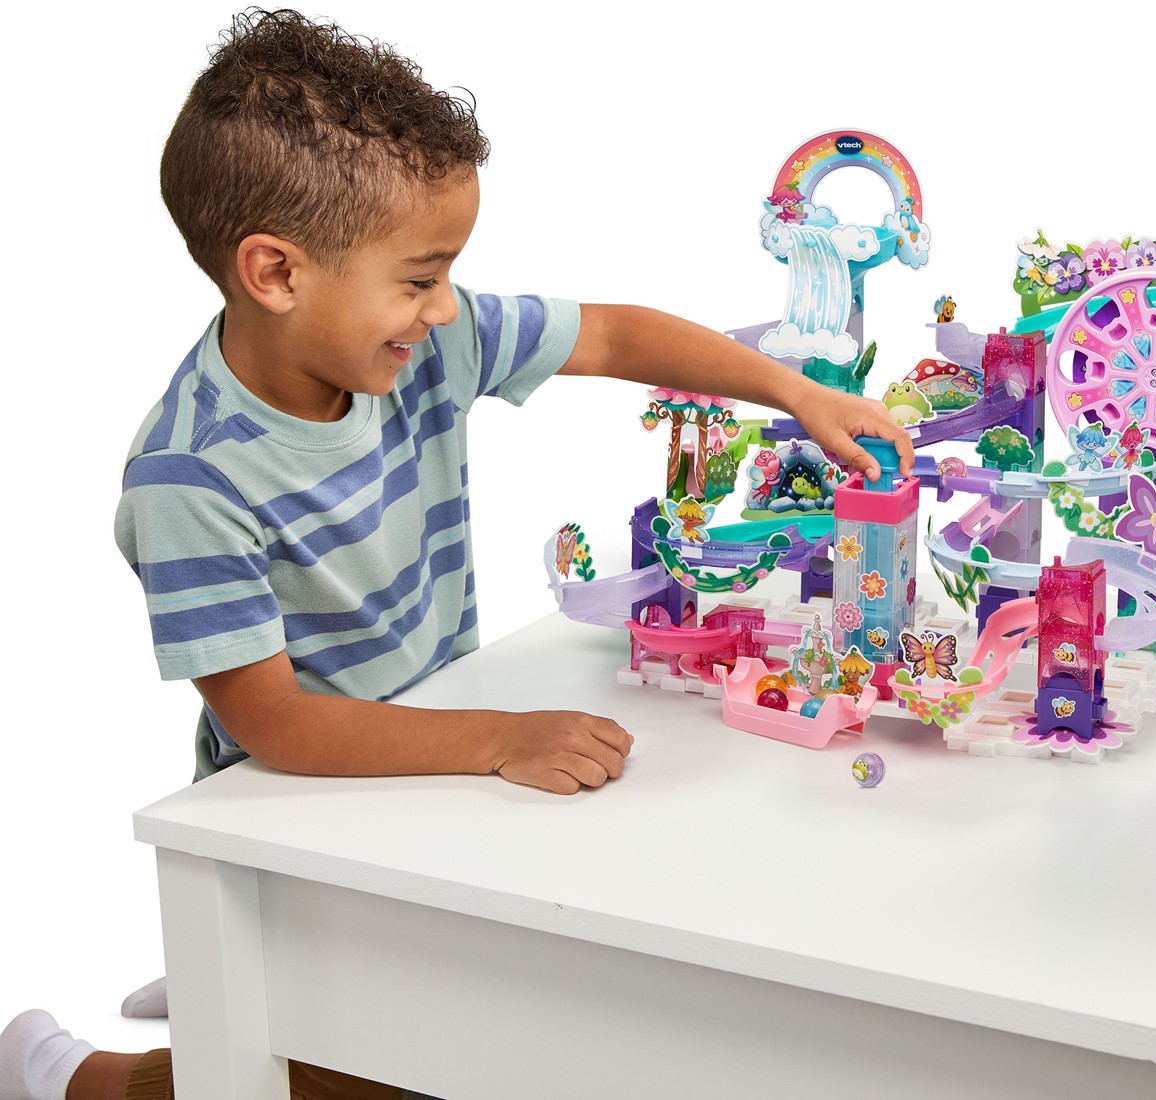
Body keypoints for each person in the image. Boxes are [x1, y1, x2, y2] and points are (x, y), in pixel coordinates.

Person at [0, 10, 911, 1100]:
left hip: (427, 767)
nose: (444, 309)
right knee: (390, 1072)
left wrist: (795, 391)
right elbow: (277, 725)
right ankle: (71, 1070)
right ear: (275, 272)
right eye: (420, 276)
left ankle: (237, 987)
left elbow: (612, 333)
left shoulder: (423, 343)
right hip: (295, 808)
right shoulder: (189, 477)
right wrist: (501, 737)